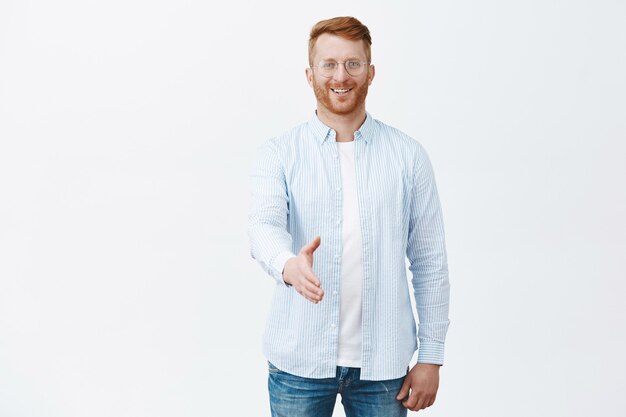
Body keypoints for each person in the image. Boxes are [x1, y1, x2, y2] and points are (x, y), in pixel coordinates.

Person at [248, 16, 450, 417]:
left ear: (370, 72)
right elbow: (263, 227)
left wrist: (431, 356)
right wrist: (290, 265)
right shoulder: (279, 153)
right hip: (298, 363)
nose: (341, 76)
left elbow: (430, 263)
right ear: (310, 74)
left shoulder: (408, 157)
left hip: (384, 367)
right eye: (329, 64)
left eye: (353, 64)